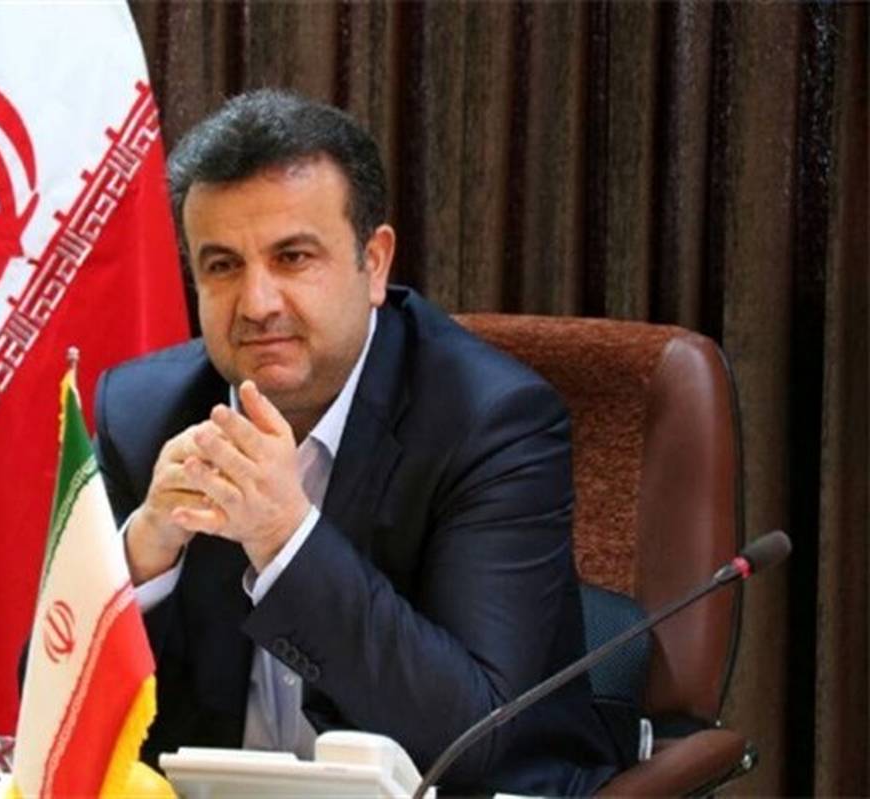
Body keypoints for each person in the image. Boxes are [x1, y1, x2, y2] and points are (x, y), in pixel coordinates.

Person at [93, 89, 620, 795]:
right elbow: (54, 721)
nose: (257, 303)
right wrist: (142, 552)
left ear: (374, 262)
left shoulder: (491, 422)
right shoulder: (144, 414)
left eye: (292, 257)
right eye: (221, 265)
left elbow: (473, 737)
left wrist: (284, 536)